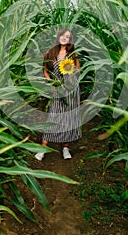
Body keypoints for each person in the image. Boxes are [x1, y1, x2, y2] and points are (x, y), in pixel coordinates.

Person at [35, 28, 81, 160]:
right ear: (59, 36)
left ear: (70, 40)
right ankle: (42, 149)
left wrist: (72, 80)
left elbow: (78, 69)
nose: (65, 38)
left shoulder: (73, 54)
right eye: (63, 35)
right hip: (57, 88)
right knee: (53, 116)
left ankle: (65, 148)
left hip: (71, 90)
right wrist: (51, 83)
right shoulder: (50, 52)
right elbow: (45, 70)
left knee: (69, 118)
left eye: (68, 36)